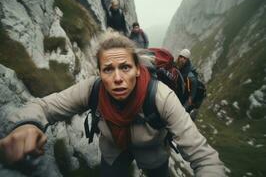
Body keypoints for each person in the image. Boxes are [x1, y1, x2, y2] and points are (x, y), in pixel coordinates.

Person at [0, 31, 225, 177]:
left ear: (138, 69)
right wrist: (27, 125)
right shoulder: (92, 89)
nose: (117, 78)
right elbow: (43, 106)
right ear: (99, 73)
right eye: (108, 69)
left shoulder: (160, 96)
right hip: (113, 152)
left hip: (153, 153)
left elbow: (204, 157)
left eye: (125, 67)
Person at [175, 49, 198, 114]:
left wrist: (183, 110)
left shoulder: (191, 77)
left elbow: (191, 97)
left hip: (181, 101)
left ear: (187, 60)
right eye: (181, 57)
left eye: (184, 58)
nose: (182, 59)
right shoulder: (176, 66)